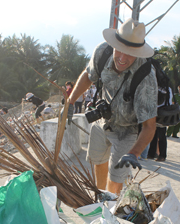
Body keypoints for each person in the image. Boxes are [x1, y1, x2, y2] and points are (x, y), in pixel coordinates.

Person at [62, 18, 158, 194]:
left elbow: (149, 126)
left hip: (127, 129)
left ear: (138, 53)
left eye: (129, 53)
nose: (122, 58)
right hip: (102, 120)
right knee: (97, 160)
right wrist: (70, 101)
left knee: (116, 177)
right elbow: (88, 75)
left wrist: (134, 153)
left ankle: (110, 208)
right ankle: (100, 199)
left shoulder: (146, 77)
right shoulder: (102, 53)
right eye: (119, 50)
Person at [147, 87, 173, 161]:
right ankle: (153, 154)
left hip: (160, 112)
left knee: (160, 135)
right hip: (159, 112)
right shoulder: (167, 88)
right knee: (154, 133)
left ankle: (161, 155)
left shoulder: (165, 88)